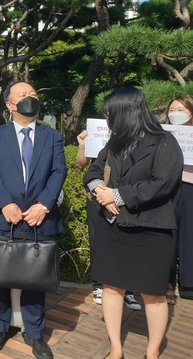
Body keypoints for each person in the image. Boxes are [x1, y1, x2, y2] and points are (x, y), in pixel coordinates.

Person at [84, 87, 183, 359]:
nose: (107, 119)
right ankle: (116, 347)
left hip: (152, 229)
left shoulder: (164, 142)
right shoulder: (115, 142)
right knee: (112, 287)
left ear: (125, 111)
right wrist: (98, 191)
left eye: (110, 113)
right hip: (113, 227)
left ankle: (152, 351)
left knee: (152, 293)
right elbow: (93, 171)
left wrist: (116, 194)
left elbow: (162, 183)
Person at [0, 81, 66, 359]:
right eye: (23, 94)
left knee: (34, 276)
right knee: (0, 274)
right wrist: (5, 203)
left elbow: (58, 172)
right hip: (3, 215)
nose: (30, 97)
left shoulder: (52, 136)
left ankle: (35, 332)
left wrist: (44, 205)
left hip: (37, 217)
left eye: (33, 93)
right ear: (9, 105)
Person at [77, 130, 142, 311]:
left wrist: (118, 197)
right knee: (99, 243)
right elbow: (86, 168)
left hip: (129, 201)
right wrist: (83, 146)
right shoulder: (100, 135)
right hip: (100, 200)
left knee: (129, 247)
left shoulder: (146, 139)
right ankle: (100, 286)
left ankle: (128, 289)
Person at [165, 97, 193, 302]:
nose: (175, 112)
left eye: (181, 109)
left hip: (190, 188)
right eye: (172, 109)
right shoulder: (161, 133)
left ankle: (188, 283)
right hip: (166, 189)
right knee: (167, 235)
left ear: (191, 112)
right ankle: (166, 282)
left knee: (188, 236)